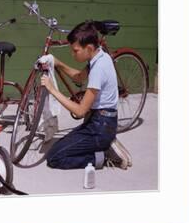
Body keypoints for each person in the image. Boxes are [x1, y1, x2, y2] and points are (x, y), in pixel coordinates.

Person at [40, 21, 130, 169]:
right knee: (59, 147)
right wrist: (58, 63)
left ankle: (106, 155)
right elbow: (79, 77)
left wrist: (52, 89)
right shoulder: (100, 56)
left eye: (75, 51)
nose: (72, 54)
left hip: (99, 127)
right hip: (99, 122)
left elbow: (80, 111)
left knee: (55, 158)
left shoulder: (98, 69)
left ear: (88, 48)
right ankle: (105, 145)